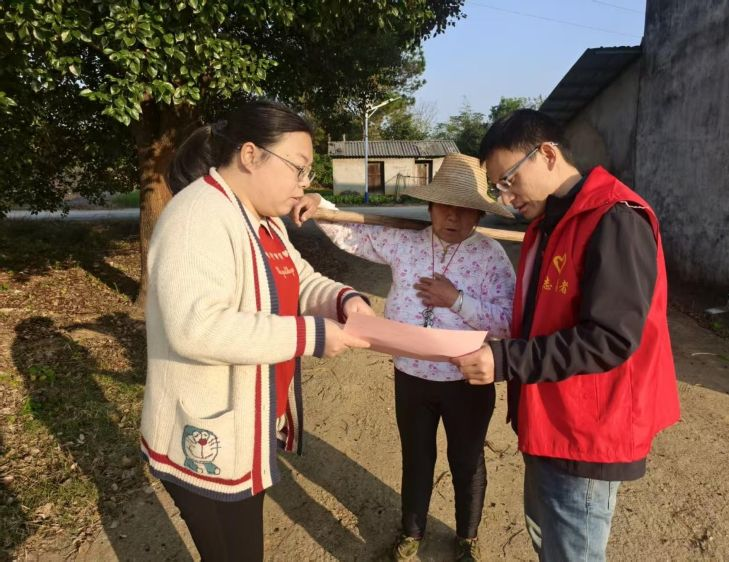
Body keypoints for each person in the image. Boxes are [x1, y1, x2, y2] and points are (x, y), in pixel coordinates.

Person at [140, 99, 374, 561]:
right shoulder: (197, 216)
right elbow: (196, 327)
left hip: (247, 421)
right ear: (250, 155)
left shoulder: (263, 221)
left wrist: (345, 300)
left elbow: (300, 278)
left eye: (307, 172)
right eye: (298, 168)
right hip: (205, 435)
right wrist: (312, 335)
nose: (304, 183)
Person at [452, 109, 681, 562]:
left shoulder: (613, 218)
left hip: (585, 430)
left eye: (509, 181)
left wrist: (506, 360)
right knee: (548, 539)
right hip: (547, 418)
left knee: (572, 552)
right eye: (497, 187)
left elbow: (611, 338)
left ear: (548, 154)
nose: (506, 197)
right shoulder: (550, 223)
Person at [294, 153, 516, 562]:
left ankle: (466, 538)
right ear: (430, 206)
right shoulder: (406, 241)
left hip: (466, 380)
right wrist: (319, 205)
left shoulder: (490, 256)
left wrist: (457, 300)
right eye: (444, 205)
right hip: (411, 376)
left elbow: (507, 321)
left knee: (466, 460)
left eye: (464, 208)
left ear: (479, 213)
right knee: (417, 456)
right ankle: (412, 531)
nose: (453, 216)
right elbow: (354, 235)